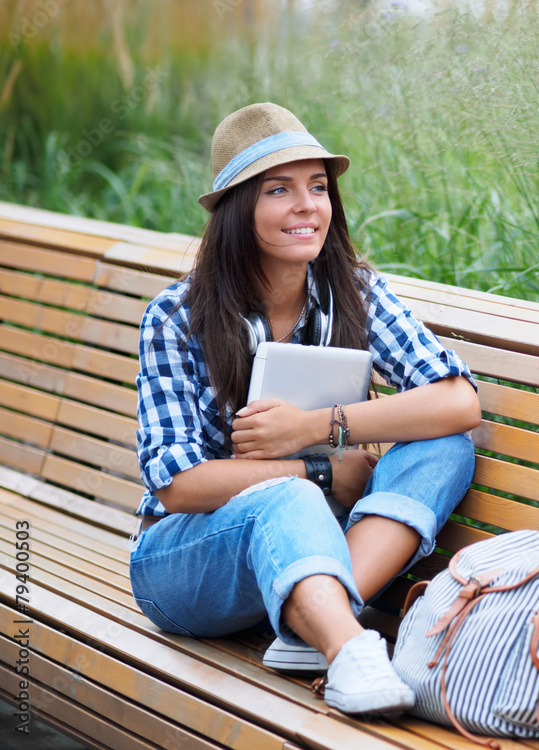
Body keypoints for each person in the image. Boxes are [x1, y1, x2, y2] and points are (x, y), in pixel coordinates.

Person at [130, 102, 481, 717]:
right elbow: (178, 486)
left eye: (318, 187)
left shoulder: (356, 291)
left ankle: (310, 629)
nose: (308, 206)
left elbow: (457, 401)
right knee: (288, 497)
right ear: (239, 209)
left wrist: (320, 429)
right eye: (279, 190)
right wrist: (318, 471)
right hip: (187, 563)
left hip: (322, 546)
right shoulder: (178, 315)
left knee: (446, 445)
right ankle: (349, 651)